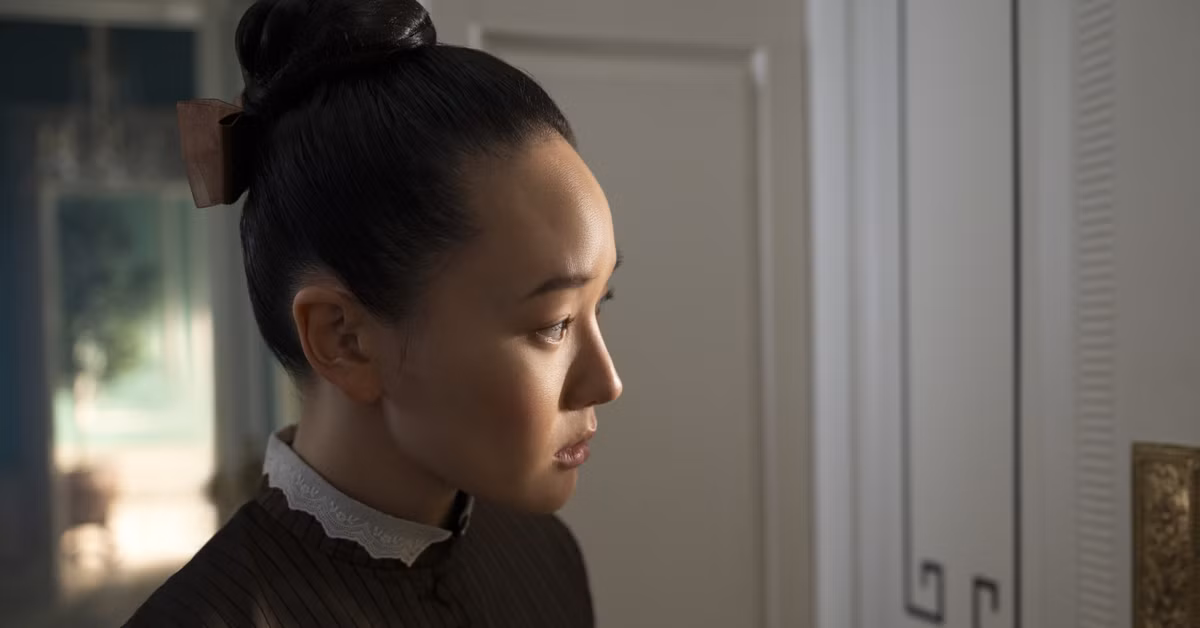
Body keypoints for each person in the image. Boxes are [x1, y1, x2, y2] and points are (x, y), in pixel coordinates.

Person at [124, 0, 623, 625]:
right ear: (344, 338)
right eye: (554, 324)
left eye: (598, 304)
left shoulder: (544, 555)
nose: (606, 381)